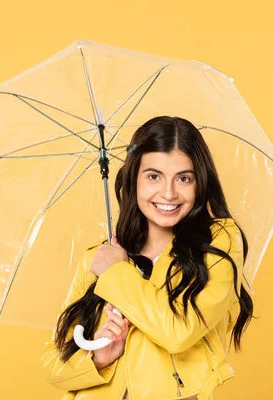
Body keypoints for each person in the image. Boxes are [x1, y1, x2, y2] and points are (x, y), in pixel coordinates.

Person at [41, 116, 254, 400]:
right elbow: (54, 363)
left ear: (200, 183)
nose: (168, 193)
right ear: (135, 179)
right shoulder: (98, 257)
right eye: (153, 176)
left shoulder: (217, 242)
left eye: (184, 178)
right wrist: (98, 358)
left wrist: (117, 272)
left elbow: (178, 332)